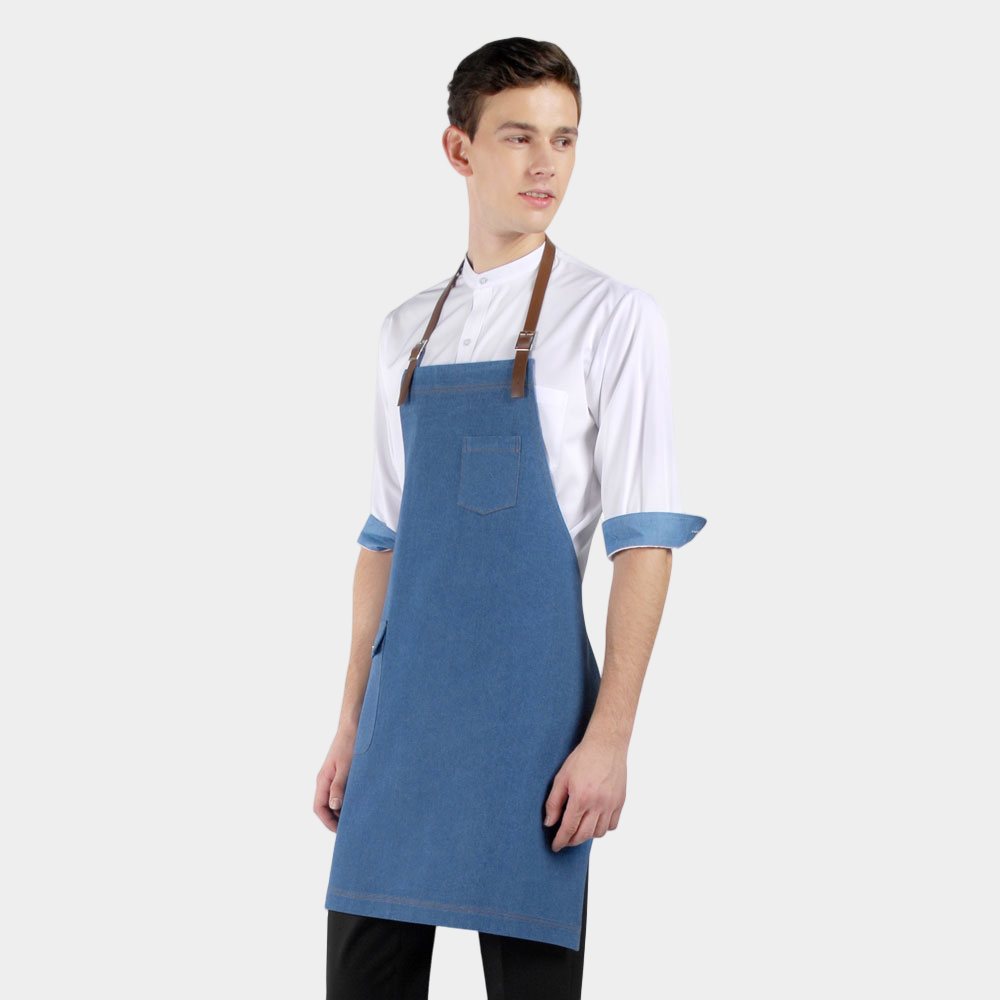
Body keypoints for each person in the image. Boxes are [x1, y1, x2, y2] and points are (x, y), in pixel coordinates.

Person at [314, 37, 707, 1000]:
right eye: (519, 136)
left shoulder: (615, 318)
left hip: (532, 728)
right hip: (401, 728)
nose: (546, 164)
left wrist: (610, 738)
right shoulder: (405, 333)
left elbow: (644, 543)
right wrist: (351, 720)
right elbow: (384, 542)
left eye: (565, 139)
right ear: (459, 149)